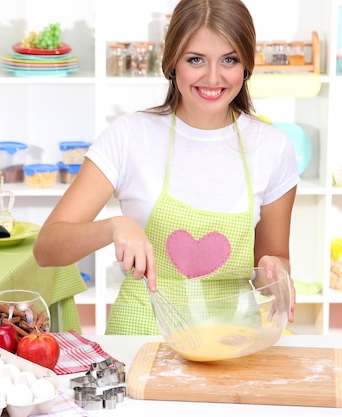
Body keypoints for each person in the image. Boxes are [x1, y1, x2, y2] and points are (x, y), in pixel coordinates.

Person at [34, 0, 299, 335]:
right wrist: (114, 227)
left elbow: (274, 258)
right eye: (196, 60)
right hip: (142, 338)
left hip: (233, 341)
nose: (213, 77)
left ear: (246, 64)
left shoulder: (273, 147)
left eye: (229, 60)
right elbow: (47, 247)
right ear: (172, 61)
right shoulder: (130, 135)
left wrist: (277, 270)